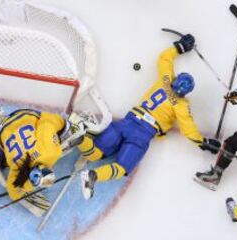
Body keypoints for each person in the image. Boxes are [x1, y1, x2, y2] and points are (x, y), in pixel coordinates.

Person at [79, 33, 220, 200]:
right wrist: (203, 143)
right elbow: (189, 131)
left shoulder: (166, 80)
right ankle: (93, 175)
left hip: (127, 123)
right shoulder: (181, 105)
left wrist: (179, 47)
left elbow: (164, 59)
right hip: (142, 135)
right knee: (122, 167)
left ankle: (78, 133)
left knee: (95, 152)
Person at [0, 108, 90, 216]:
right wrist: (25, 188)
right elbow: (13, 191)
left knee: (63, 139)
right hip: (5, 129)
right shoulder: (16, 168)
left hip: (25, 117)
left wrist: (67, 126)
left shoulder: (50, 152)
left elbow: (47, 118)